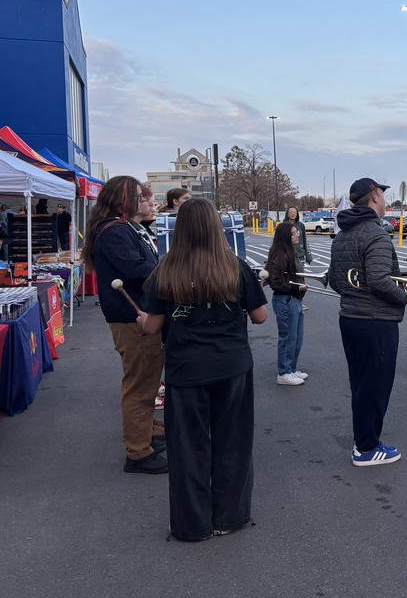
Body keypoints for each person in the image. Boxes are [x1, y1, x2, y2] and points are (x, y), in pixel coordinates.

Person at [139, 198, 268, 541]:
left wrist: (144, 317)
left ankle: (193, 526)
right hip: (233, 366)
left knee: (187, 449)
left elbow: (151, 328)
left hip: (186, 370)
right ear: (216, 227)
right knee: (233, 444)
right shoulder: (236, 267)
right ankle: (229, 517)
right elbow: (260, 316)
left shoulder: (165, 270)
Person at [328, 178, 407, 466]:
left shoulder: (343, 234)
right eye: (382, 193)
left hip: (351, 319)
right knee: (375, 385)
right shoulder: (376, 234)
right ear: (372, 197)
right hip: (375, 322)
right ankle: (367, 448)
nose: (385, 199)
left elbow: (334, 280)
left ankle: (363, 441)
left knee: (361, 384)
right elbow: (381, 281)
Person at [83, 176, 167, 474]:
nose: (143, 200)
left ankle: (145, 434)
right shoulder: (115, 231)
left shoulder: (121, 228)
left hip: (135, 315)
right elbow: (137, 269)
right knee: (141, 386)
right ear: (123, 200)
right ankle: (138, 452)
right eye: (137, 196)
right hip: (131, 318)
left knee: (145, 381)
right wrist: (173, 271)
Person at [265, 222, 308, 386]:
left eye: (297, 232)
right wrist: (296, 288)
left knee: (296, 337)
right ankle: (283, 373)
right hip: (286, 300)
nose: (297, 235)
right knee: (288, 337)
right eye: (293, 233)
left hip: (294, 299)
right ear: (285, 237)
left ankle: (291, 368)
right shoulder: (279, 256)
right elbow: (275, 283)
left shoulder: (291, 252)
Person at [283, 206, 313, 271]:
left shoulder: (301, 225)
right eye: (290, 212)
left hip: (300, 255)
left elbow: (305, 240)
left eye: (294, 212)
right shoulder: (283, 225)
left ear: (297, 214)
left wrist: (308, 256)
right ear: (287, 214)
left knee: (300, 275)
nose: (292, 214)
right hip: (287, 255)